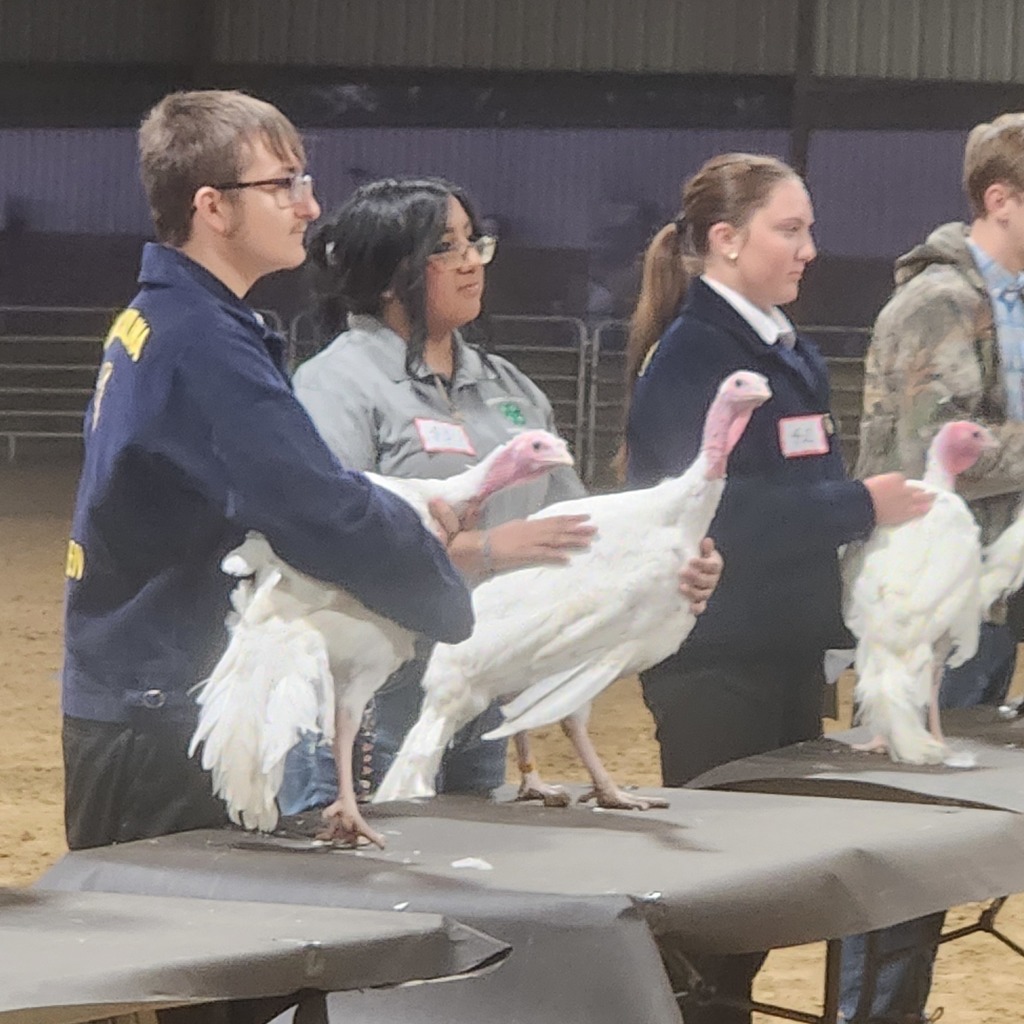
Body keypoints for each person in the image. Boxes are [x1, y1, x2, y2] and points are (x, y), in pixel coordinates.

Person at [61, 92, 476, 852]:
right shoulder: (202, 341)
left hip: (148, 697)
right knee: (182, 959)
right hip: (164, 719)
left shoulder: (174, 319)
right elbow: (308, 502)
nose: (309, 205)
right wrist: (437, 583)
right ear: (212, 207)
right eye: (283, 184)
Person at [277, 176, 723, 813]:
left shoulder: (509, 390)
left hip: (483, 684)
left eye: (473, 243)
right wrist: (484, 549)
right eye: (444, 248)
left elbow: (577, 524)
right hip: (375, 694)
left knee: (463, 875)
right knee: (366, 889)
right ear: (386, 274)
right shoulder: (336, 386)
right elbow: (331, 541)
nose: (469, 262)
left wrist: (672, 559)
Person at [623, 153, 931, 1024]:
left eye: (807, 229)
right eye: (789, 230)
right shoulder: (694, 357)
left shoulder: (788, 354)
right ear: (725, 241)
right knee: (716, 905)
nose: (809, 250)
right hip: (714, 662)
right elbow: (716, 514)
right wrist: (859, 503)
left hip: (786, 653)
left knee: (761, 899)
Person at [840, 112, 1024, 1024]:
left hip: (992, 580)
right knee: (907, 818)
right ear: (1001, 199)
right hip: (928, 587)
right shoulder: (937, 303)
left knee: (962, 807)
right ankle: (876, 1013)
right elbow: (932, 449)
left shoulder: (1011, 301)